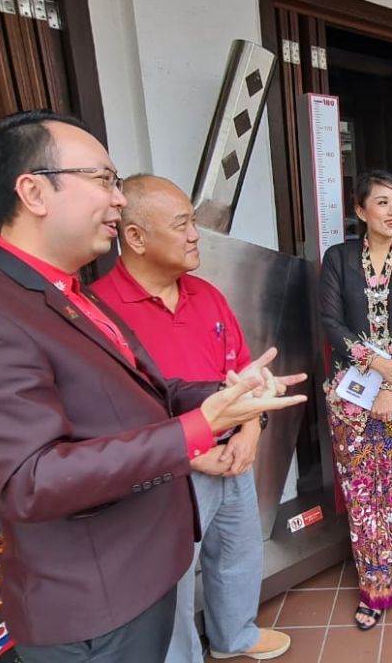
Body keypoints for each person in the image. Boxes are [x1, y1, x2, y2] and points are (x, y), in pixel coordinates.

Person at [0, 110, 306, 662]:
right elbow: (29, 479)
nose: (118, 200)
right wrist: (198, 429)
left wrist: (230, 400)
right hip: (95, 602)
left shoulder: (68, 296)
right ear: (34, 192)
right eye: (103, 180)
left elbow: (150, 396)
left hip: (139, 573)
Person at [89, 175, 291, 661]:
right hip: (167, 469)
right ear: (135, 237)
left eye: (193, 223)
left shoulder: (206, 294)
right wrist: (192, 453)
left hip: (232, 454)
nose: (195, 235)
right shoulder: (99, 311)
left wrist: (249, 432)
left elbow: (244, 373)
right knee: (172, 579)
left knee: (238, 551)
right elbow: (108, 415)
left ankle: (234, 635)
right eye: (182, 225)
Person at [319, 170, 392, 630]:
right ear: (360, 209)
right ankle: (376, 584)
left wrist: (390, 384)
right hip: (352, 395)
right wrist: (374, 363)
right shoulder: (338, 258)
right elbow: (331, 321)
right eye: (383, 202)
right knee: (365, 490)